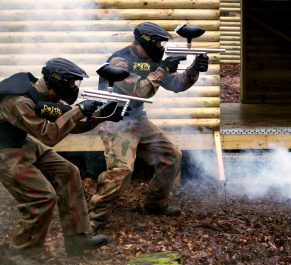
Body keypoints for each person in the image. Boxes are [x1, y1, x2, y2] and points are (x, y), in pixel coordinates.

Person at [0, 58, 126, 265]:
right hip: (4, 150)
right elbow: (49, 136)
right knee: (42, 197)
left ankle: (78, 239)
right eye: (71, 83)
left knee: (68, 172)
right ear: (57, 80)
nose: (73, 88)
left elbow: (69, 124)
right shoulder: (19, 101)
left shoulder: (45, 94)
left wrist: (102, 116)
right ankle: (20, 254)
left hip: (23, 142)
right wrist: (79, 111)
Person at [88, 22, 209, 230]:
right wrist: (162, 70)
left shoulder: (152, 61)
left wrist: (193, 71)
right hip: (115, 121)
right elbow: (138, 91)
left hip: (137, 119)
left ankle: (154, 204)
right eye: (159, 43)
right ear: (147, 41)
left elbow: (176, 85)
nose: (161, 48)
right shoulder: (119, 61)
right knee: (122, 170)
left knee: (171, 155)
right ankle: (93, 218)